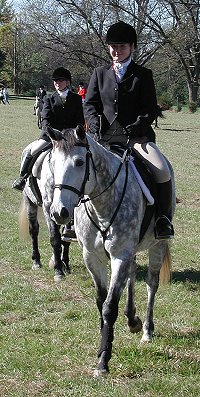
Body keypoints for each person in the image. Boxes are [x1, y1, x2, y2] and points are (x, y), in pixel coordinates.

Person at [84, 21, 174, 240]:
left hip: (136, 138)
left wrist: (138, 125)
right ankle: (74, 223)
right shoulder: (99, 73)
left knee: (162, 170)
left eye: (122, 46)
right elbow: (90, 104)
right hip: (102, 137)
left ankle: (162, 219)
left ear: (132, 47)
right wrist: (94, 125)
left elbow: (150, 108)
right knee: (79, 166)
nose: (117, 51)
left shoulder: (143, 74)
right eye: (113, 46)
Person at [12, 67, 84, 191]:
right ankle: (22, 178)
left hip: (71, 137)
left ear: (68, 82)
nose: (57, 83)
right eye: (55, 81)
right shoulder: (49, 98)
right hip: (51, 135)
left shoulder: (76, 98)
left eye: (60, 80)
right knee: (32, 151)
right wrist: (51, 132)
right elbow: (45, 118)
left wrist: (76, 131)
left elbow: (80, 119)